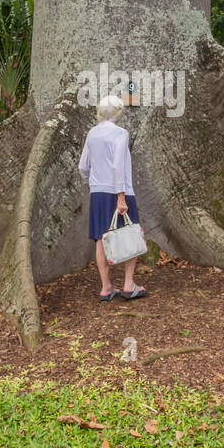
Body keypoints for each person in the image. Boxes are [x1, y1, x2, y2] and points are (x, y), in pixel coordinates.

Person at [78, 94, 148, 301]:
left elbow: (83, 166)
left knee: (100, 238)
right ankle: (128, 284)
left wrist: (94, 183)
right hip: (120, 190)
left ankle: (106, 287)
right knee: (130, 232)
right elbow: (118, 164)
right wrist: (120, 196)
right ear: (118, 113)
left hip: (98, 192)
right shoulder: (120, 133)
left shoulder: (92, 133)